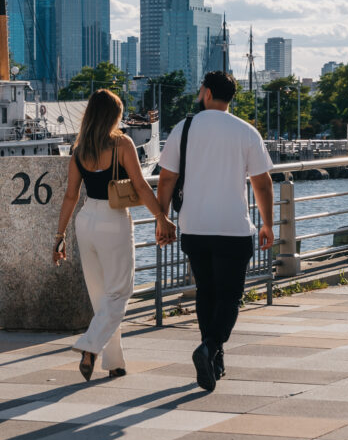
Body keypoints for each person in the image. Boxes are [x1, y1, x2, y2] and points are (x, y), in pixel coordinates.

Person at [156, 71, 274, 392]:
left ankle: (213, 356)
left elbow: (167, 179)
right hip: (233, 227)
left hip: (194, 226)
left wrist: (161, 218)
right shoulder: (246, 131)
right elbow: (261, 183)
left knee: (206, 293)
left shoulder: (185, 128)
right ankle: (209, 347)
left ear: (206, 93)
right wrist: (267, 223)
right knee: (230, 296)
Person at [53, 89, 176, 381]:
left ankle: (115, 362)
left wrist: (59, 236)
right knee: (119, 292)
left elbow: (70, 196)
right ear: (113, 115)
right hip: (113, 219)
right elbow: (142, 186)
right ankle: (89, 346)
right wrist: (161, 216)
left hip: (85, 220)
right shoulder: (122, 143)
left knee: (102, 297)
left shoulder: (79, 150)